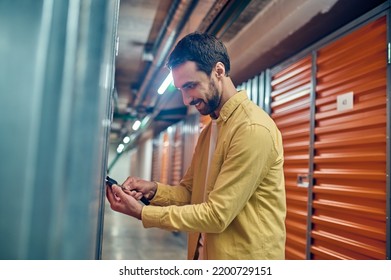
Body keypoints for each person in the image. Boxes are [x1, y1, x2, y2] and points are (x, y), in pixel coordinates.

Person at [106, 32, 286, 260]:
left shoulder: (252, 129)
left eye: (190, 85)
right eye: (180, 89)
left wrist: (143, 213)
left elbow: (217, 215)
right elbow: (191, 194)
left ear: (218, 72)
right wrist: (152, 189)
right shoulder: (209, 131)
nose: (186, 99)